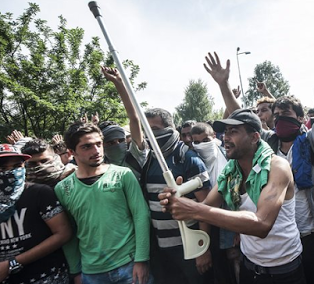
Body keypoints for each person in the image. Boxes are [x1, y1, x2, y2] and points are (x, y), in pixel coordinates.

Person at [203, 12, 314, 284]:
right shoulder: (267, 143)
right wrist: (223, 85)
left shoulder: (313, 143)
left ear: (301, 119)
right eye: (276, 113)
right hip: (275, 247)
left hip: (309, 234)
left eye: (286, 113)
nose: (279, 118)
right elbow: (241, 118)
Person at [160, 108, 305, 284]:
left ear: (254, 137)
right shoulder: (230, 172)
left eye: (233, 132)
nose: (225, 137)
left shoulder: (277, 168)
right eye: (225, 132)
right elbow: (207, 206)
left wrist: (195, 209)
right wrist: (178, 201)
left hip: (283, 270)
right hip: (249, 265)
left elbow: (262, 224)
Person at [100, 67, 212, 284]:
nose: (150, 134)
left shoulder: (187, 159)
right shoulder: (146, 159)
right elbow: (133, 118)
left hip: (188, 245)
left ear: (170, 129)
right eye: (147, 129)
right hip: (159, 248)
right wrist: (119, 86)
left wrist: (202, 248)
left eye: (155, 129)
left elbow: (206, 205)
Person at [54, 122, 151, 284]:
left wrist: (141, 260)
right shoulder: (63, 188)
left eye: (99, 144)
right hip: (91, 272)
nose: (96, 151)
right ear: (71, 152)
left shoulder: (123, 175)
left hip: (130, 266)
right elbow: (68, 232)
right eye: (87, 147)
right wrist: (75, 271)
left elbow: (141, 215)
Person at [0, 144, 71, 284]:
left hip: (47, 276)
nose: (11, 172)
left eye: (17, 166)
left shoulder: (38, 193)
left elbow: (63, 233)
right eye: (3, 169)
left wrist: (12, 263)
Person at [191, 122, 241, 284]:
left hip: (232, 221)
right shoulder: (193, 161)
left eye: (205, 140)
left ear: (214, 137)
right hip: (208, 222)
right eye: (196, 142)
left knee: (235, 266)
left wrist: (238, 229)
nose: (201, 145)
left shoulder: (229, 156)